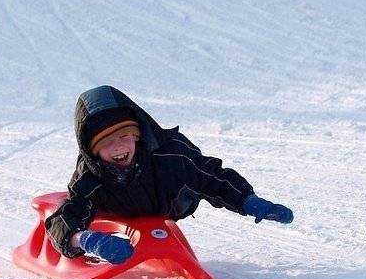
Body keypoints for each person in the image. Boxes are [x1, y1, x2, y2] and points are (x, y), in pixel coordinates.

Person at [45, 85, 293, 264]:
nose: (119, 147)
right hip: (118, 210)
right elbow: (65, 216)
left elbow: (213, 177)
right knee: (74, 211)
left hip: (169, 204)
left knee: (198, 177)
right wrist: (86, 240)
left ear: (137, 135)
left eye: (124, 136)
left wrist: (249, 201)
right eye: (107, 143)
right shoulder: (89, 180)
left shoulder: (172, 156)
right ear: (92, 151)